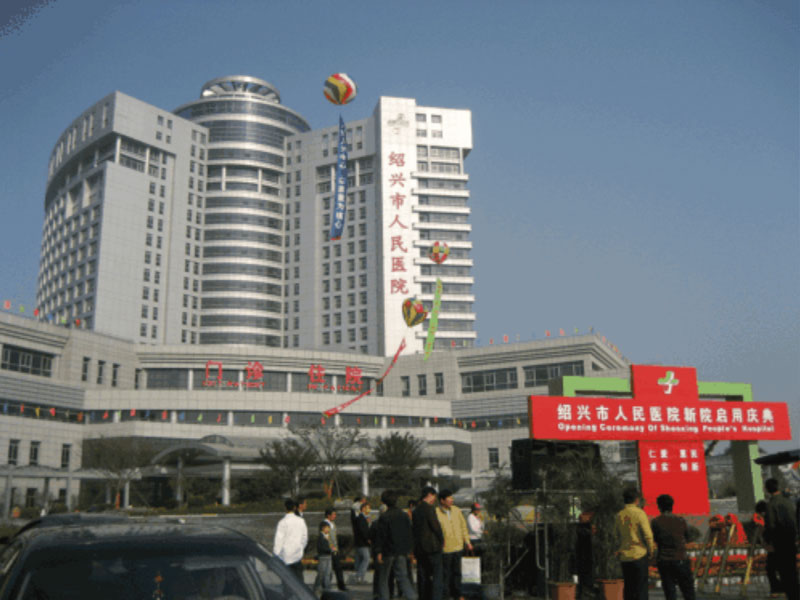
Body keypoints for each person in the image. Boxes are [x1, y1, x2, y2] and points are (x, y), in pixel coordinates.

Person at [650, 494, 695, 600]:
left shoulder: (655, 522)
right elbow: (688, 537)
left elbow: (655, 539)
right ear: (672, 506)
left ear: (659, 506)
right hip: (680, 558)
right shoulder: (680, 520)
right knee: (688, 591)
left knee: (670, 592)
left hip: (664, 560)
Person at [375, 489, 417, 600]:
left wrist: (378, 551)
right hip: (401, 551)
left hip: (388, 551)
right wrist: (410, 550)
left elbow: (381, 536)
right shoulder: (404, 515)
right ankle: (412, 596)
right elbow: (409, 533)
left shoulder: (384, 517)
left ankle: (384, 597)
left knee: (383, 578)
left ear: (384, 502)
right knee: (403, 577)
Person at [615, 487, 655, 600]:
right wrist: (651, 551)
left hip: (625, 556)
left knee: (629, 588)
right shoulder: (640, 513)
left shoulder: (619, 515)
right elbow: (648, 535)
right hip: (639, 555)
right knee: (641, 590)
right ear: (637, 500)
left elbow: (616, 535)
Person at [764, 478, 799, 600]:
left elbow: (771, 525)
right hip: (791, 541)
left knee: (783, 572)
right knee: (792, 571)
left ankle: (788, 593)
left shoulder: (771, 505)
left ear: (767, 489)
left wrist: (768, 542)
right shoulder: (789, 502)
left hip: (779, 543)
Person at [436, 489, 472, 600]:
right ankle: (446, 595)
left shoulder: (456, 510)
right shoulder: (436, 512)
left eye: (452, 497)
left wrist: (467, 542)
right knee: (446, 574)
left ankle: (458, 594)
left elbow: (463, 527)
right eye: (449, 498)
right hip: (445, 549)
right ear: (442, 500)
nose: (452, 500)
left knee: (457, 573)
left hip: (458, 547)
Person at [413, 486, 444, 600]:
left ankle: (423, 596)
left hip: (420, 548)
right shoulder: (429, 509)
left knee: (423, 575)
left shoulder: (416, 510)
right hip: (432, 547)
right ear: (429, 495)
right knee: (437, 576)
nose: (434, 499)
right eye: (434, 496)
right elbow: (435, 527)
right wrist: (442, 539)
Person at [274, 499, 308, 583]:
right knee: (299, 583)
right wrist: (300, 548)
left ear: (285, 508)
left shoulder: (282, 522)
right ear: (295, 507)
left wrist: (276, 556)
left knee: (287, 583)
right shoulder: (301, 521)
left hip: (285, 557)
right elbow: (304, 538)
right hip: (297, 556)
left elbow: (278, 542)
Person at [756, 500, 782, 597]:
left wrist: (762, 532)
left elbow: (769, 533)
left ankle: (777, 589)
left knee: (771, 569)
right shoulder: (774, 515)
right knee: (774, 569)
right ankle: (778, 589)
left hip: (775, 548)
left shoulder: (768, 519)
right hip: (778, 547)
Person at [323, 507, 348, 591]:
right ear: (328, 515)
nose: (335, 516)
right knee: (328, 569)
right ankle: (325, 585)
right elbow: (326, 538)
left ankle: (341, 585)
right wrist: (332, 547)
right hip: (330, 550)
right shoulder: (325, 524)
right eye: (333, 514)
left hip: (335, 550)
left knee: (338, 568)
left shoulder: (333, 524)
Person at [353, 500, 372, 584]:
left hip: (360, 543)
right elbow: (363, 531)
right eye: (368, 508)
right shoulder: (361, 518)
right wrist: (368, 539)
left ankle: (359, 578)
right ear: (363, 508)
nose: (369, 509)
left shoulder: (363, 518)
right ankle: (359, 576)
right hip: (362, 543)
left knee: (360, 559)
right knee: (366, 558)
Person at [314, 521, 334, 593]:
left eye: (329, 528)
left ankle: (327, 587)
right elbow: (321, 548)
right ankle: (317, 586)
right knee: (321, 573)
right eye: (327, 528)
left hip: (329, 556)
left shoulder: (328, 537)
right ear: (323, 528)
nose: (328, 529)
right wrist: (330, 549)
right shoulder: (320, 537)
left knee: (328, 572)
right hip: (323, 557)